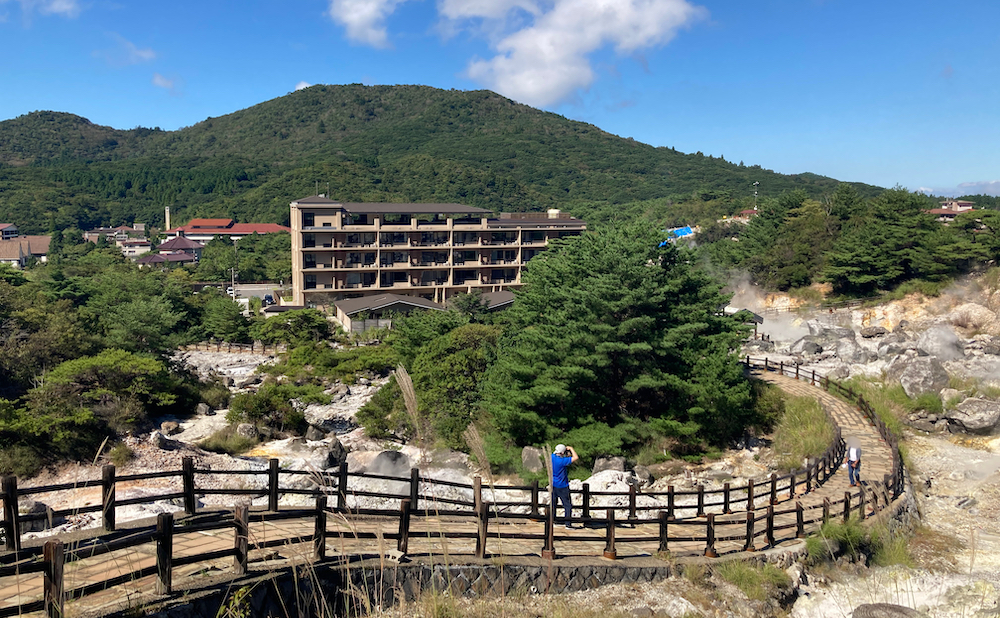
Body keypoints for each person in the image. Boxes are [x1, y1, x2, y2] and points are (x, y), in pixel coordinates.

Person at [551, 444, 579, 528]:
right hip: (563, 486)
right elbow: (575, 457)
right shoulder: (562, 461)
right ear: (562, 452)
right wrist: (571, 448)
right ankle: (568, 524)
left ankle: (553, 520)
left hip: (553, 484)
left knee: (553, 504)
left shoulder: (552, 457)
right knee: (567, 505)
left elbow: (553, 453)